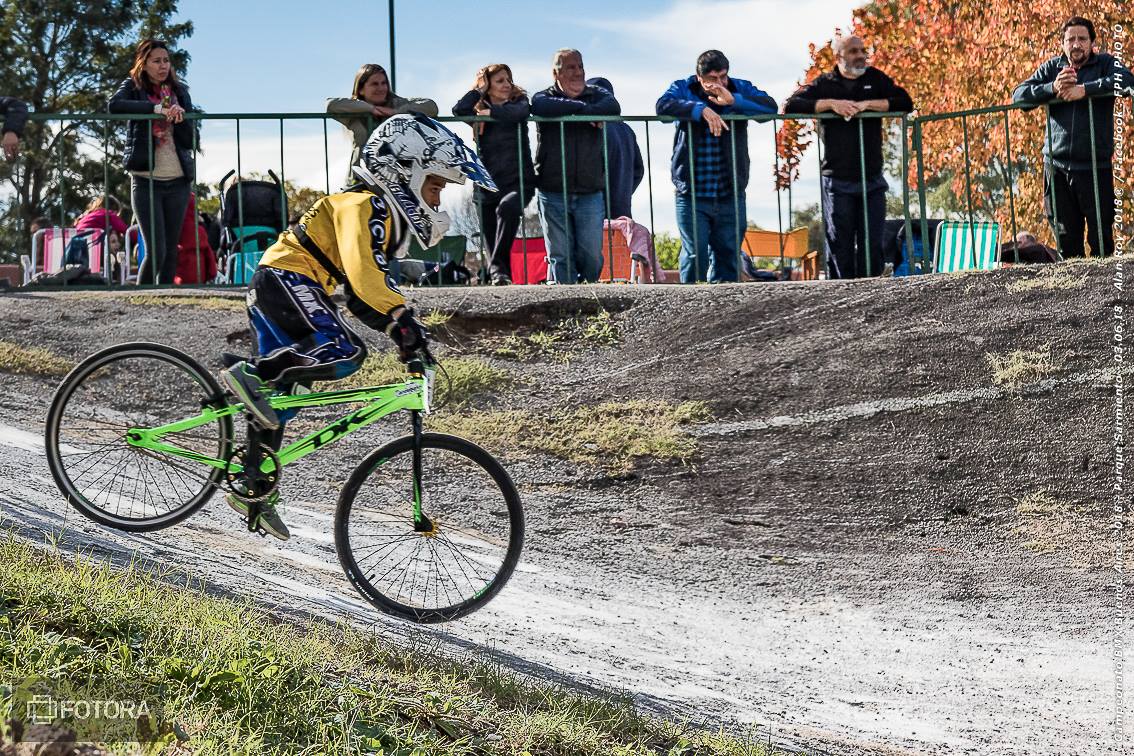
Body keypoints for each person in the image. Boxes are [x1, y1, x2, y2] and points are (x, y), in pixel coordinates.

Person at [220, 114, 496, 540]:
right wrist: (402, 317)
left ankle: (252, 484)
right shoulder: (363, 205)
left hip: (283, 283)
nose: (438, 200)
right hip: (287, 278)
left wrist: (400, 333)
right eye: (436, 185)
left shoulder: (379, 218)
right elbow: (367, 278)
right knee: (344, 353)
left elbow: (359, 298)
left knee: (280, 401)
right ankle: (252, 373)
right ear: (404, 170)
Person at [784, 35, 913, 279]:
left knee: (873, 239)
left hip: (872, 177)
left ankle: (870, 289)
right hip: (837, 179)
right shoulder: (825, 83)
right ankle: (839, 295)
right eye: (853, 51)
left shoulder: (876, 78)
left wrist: (867, 105)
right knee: (839, 239)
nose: (861, 55)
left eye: (863, 50)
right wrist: (831, 104)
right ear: (839, 56)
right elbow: (792, 105)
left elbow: (906, 102)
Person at [1012, 16, 1133, 258]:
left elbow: (1128, 80)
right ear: (1063, 43)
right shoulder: (1052, 69)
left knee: (1101, 240)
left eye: (1082, 39)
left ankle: (1108, 293)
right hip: (1056, 168)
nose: (1076, 44)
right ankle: (1075, 295)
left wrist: (1085, 90)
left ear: (1091, 42)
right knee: (1068, 242)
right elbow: (1019, 96)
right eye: (1071, 39)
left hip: (1094, 166)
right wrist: (1052, 89)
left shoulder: (1105, 63)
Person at [657, 50, 777, 283]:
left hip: (729, 190)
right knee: (694, 254)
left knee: (728, 254)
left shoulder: (739, 87)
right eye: (712, 79)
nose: (719, 83)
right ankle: (687, 307)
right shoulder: (684, 87)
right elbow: (663, 106)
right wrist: (699, 109)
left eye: (723, 77)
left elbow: (770, 109)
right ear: (699, 78)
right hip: (692, 191)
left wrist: (734, 101)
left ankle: (726, 311)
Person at [109, 39, 198, 285]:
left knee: (170, 251)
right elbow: (114, 105)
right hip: (146, 180)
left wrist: (181, 119)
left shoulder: (180, 92)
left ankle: (166, 297)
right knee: (156, 249)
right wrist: (156, 109)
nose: (163, 66)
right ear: (144, 64)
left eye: (166, 61)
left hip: (178, 180)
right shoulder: (134, 86)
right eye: (156, 61)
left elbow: (190, 140)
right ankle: (142, 294)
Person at [531, 49, 621, 284]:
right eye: (570, 67)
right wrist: (583, 110)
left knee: (591, 254)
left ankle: (588, 292)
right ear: (556, 73)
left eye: (580, 66)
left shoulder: (597, 94)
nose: (578, 72)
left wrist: (579, 108)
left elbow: (613, 106)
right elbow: (540, 106)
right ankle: (565, 299)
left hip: (590, 189)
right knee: (560, 255)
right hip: (552, 189)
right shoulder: (544, 97)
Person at [452, 63, 536, 285]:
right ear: (488, 86)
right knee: (492, 243)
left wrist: (491, 114)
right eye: (500, 81)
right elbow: (459, 109)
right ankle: (499, 278)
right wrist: (479, 91)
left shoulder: (519, 103)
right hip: (487, 184)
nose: (507, 85)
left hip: (518, 181)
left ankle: (497, 271)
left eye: (508, 79)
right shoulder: (478, 110)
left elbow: (520, 113)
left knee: (507, 209)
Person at [327, 64, 439, 189]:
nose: (381, 88)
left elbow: (431, 106)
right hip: (361, 181)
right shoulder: (354, 111)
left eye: (384, 83)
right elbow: (331, 105)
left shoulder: (396, 103)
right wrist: (371, 109)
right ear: (361, 89)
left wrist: (396, 112)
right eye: (374, 84)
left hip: (395, 181)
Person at [585, 77, 644, 220]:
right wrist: (624, 192)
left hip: (592, 208)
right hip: (622, 207)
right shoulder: (627, 130)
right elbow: (638, 171)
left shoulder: (591, 127)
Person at [175, 193, 218, 284]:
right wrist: (211, 274)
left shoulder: (173, 231)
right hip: (199, 277)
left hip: (178, 278)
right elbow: (209, 256)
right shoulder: (200, 231)